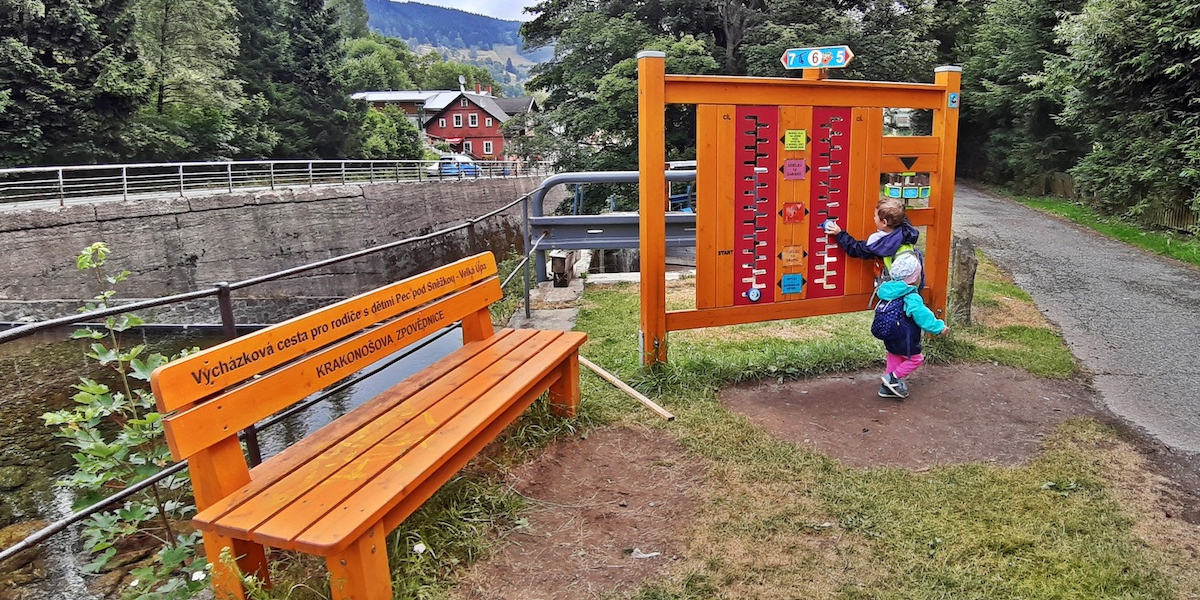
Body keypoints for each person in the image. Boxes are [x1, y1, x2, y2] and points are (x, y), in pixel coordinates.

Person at [873, 253, 948, 399]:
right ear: (914, 278)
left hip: (889, 334)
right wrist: (939, 327)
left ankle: (886, 388)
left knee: (894, 355)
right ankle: (893, 378)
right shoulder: (911, 297)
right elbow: (923, 316)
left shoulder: (888, 290)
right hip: (904, 336)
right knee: (915, 359)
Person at [823, 198, 920, 282]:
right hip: (914, 278)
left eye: (875, 216)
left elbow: (856, 249)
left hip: (894, 285)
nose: (874, 218)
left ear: (884, 222)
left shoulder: (879, 244)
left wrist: (840, 234)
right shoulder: (907, 231)